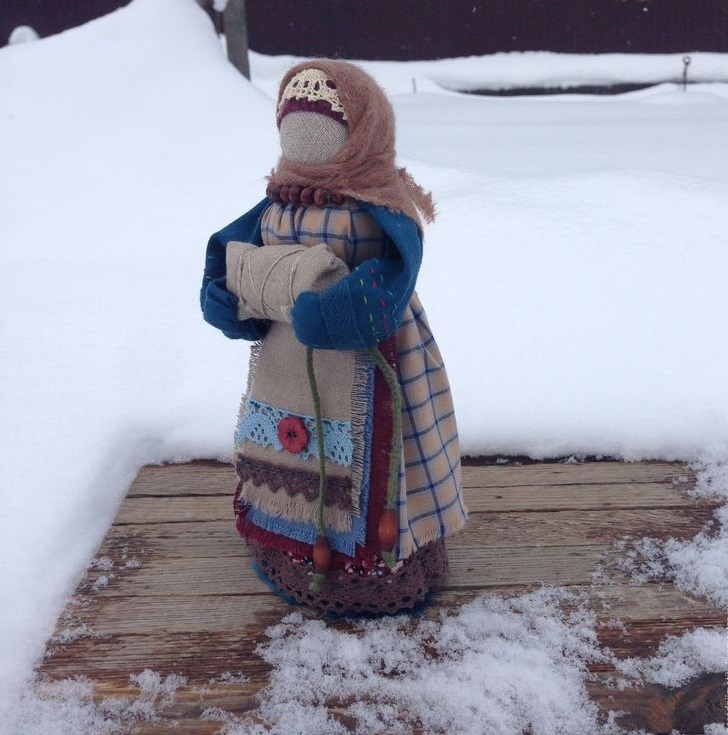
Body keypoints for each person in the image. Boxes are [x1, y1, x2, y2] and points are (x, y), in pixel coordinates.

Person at [200, 59, 467, 615]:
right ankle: (290, 541)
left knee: (374, 462)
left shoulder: (384, 207)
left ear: (363, 132)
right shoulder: (279, 199)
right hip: (287, 363)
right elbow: (230, 253)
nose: (303, 140)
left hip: (372, 360)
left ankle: (370, 565)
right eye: (292, 126)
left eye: (324, 129)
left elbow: (396, 271)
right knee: (290, 450)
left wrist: (344, 310)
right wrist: (228, 295)